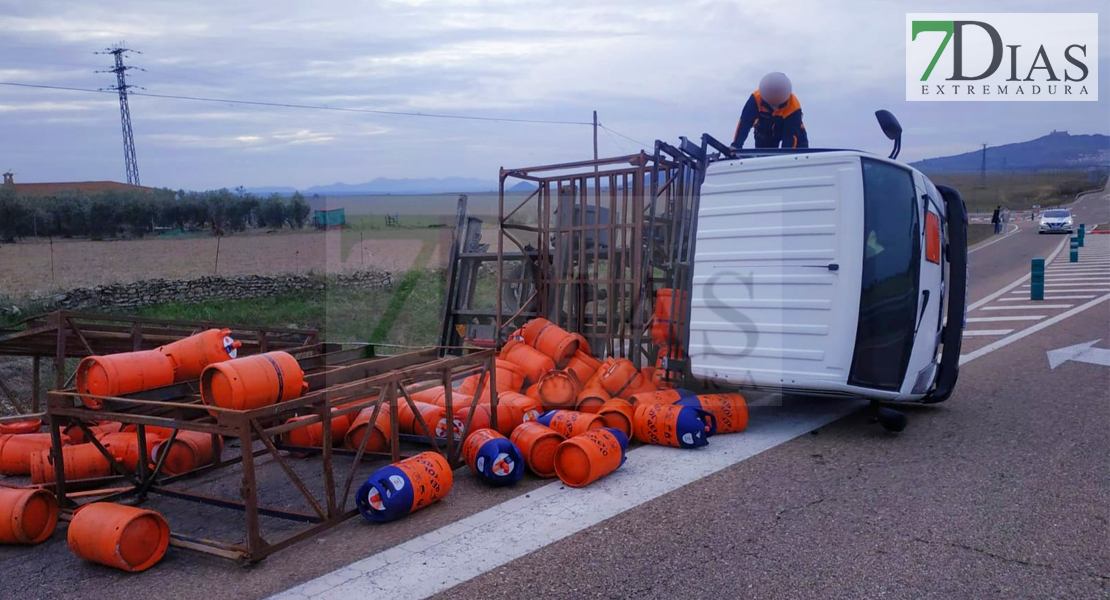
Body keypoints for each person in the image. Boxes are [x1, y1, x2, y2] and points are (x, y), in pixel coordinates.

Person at [731, 72, 809, 149]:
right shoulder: (756, 99)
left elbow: (790, 137)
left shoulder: (793, 106)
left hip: (792, 131)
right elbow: (745, 123)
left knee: (799, 151)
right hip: (766, 131)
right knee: (763, 154)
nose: (774, 107)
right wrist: (736, 145)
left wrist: (788, 158)